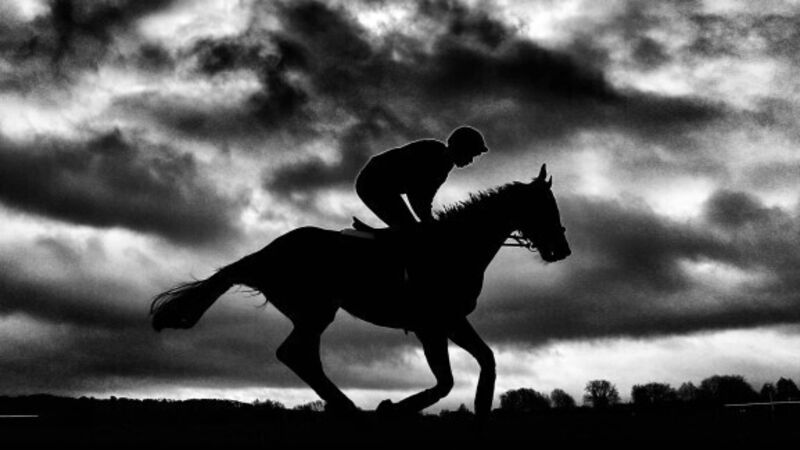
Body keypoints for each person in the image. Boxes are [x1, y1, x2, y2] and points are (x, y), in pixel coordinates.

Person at [355, 126, 489, 228]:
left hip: (382, 185)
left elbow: (425, 198)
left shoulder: (444, 167)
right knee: (409, 229)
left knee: (410, 227)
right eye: (471, 154)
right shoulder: (433, 154)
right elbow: (415, 192)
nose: (470, 161)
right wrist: (428, 221)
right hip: (372, 182)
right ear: (461, 148)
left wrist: (428, 219)